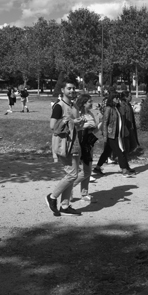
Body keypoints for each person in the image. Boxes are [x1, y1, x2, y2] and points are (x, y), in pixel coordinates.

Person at [46, 82, 84, 217]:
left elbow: (75, 126)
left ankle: (65, 206)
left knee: (73, 175)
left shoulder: (74, 106)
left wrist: (80, 122)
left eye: (73, 88)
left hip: (75, 143)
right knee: (72, 174)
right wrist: (72, 121)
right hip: (64, 144)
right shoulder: (59, 106)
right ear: (62, 90)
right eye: (69, 88)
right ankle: (52, 196)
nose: (72, 90)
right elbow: (53, 126)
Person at [94, 92, 136, 177]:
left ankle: (97, 168)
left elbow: (122, 117)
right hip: (111, 135)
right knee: (120, 151)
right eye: (116, 98)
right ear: (112, 99)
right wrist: (105, 136)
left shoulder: (117, 108)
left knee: (106, 152)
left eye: (118, 98)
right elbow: (105, 123)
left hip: (117, 134)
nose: (118, 99)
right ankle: (124, 170)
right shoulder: (108, 109)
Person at [75, 93, 99, 202]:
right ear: (84, 103)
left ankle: (84, 193)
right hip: (81, 143)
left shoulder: (90, 114)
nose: (92, 103)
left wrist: (100, 124)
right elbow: (75, 128)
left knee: (87, 170)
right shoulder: (78, 114)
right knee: (86, 171)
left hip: (89, 143)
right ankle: (67, 188)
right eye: (90, 101)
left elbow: (95, 130)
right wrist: (86, 126)